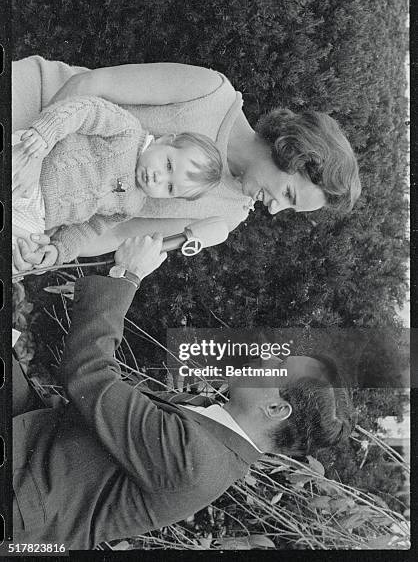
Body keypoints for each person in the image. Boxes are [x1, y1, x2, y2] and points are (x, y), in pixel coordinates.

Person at [12, 234, 353, 550]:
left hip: (18, 493)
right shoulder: (209, 420)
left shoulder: (197, 458)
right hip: (33, 440)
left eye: (278, 362)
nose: (266, 354)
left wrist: (127, 276)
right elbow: (88, 420)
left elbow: (90, 377)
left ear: (277, 410)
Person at [12, 56, 361, 268]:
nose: (273, 209)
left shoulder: (228, 214)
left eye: (287, 209)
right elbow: (91, 84)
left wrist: (49, 249)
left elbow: (114, 231)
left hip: (28, 202)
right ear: (288, 151)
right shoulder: (211, 92)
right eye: (288, 194)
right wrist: (32, 154)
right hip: (31, 111)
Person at [12, 94, 222, 269]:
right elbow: (84, 109)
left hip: (37, 216)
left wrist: (59, 249)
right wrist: (44, 136)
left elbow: (91, 228)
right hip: (34, 162)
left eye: (169, 187)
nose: (159, 178)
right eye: (168, 165)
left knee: (22, 255)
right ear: (166, 140)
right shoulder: (127, 131)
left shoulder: (131, 205)